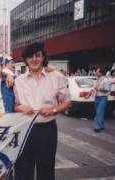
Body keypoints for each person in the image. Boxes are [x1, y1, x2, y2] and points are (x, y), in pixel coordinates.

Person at [13, 42, 71, 180]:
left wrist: (53, 109)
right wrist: (20, 107)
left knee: (46, 170)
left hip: (47, 130)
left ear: (43, 57)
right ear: (26, 60)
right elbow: (13, 106)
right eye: (30, 57)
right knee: (22, 170)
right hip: (24, 130)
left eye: (37, 55)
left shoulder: (56, 77)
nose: (34, 59)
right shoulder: (18, 81)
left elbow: (68, 102)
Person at [87, 68, 111, 132]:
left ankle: (97, 127)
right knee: (99, 112)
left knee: (99, 112)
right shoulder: (97, 80)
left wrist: (99, 89)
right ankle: (102, 125)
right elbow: (93, 88)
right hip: (96, 97)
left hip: (103, 97)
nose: (96, 73)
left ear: (101, 73)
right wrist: (88, 95)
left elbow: (107, 90)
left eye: (97, 72)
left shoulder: (106, 80)